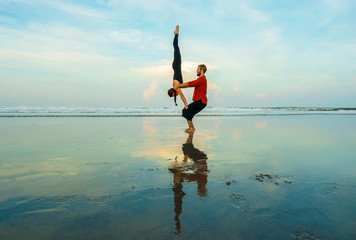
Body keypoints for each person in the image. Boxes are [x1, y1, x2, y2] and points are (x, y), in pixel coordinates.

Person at [173, 64, 208, 132]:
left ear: (202, 70)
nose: (196, 71)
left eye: (198, 69)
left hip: (201, 101)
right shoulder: (201, 79)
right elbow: (191, 84)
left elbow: (190, 84)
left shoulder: (202, 79)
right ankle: (191, 128)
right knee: (187, 111)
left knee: (186, 111)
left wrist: (178, 86)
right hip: (200, 101)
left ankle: (191, 128)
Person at [167, 25, 188, 109]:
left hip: (176, 65)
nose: (176, 95)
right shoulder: (176, 86)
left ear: (173, 93)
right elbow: (186, 86)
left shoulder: (176, 87)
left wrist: (186, 105)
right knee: (176, 49)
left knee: (176, 48)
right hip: (176, 66)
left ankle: (176, 34)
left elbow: (182, 96)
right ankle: (176, 34)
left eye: (174, 95)